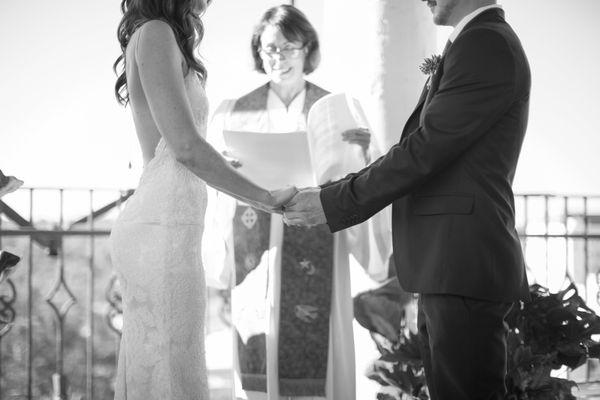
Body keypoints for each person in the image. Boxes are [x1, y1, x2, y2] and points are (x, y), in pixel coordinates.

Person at [283, 0, 531, 399]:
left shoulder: (485, 43)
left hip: (461, 261)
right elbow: (422, 149)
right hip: (450, 263)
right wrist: (333, 191)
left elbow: (424, 150)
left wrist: (333, 201)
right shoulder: (473, 41)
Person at [109, 1, 295, 399]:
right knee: (170, 372)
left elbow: (182, 144)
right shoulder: (157, 32)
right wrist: (264, 198)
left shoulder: (159, 33)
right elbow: (185, 149)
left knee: (173, 366)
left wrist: (220, 160)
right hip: (162, 229)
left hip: (173, 227)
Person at [204, 5, 390, 400]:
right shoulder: (239, 110)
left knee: (314, 354)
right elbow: (217, 177)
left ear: (308, 49)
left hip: (316, 229)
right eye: (269, 49)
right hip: (256, 238)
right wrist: (228, 165)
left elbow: (360, 173)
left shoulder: (333, 108)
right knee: (259, 347)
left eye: (288, 48)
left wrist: (362, 151)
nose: (278, 58)